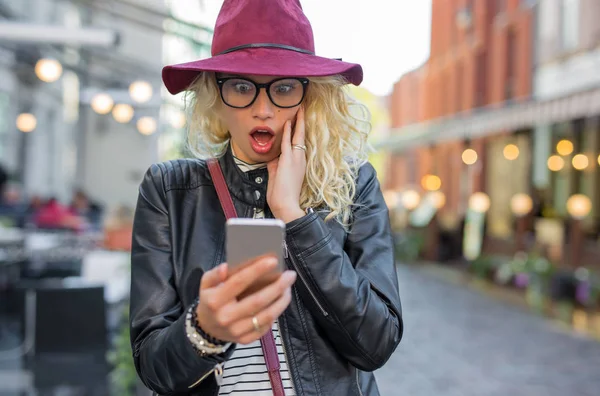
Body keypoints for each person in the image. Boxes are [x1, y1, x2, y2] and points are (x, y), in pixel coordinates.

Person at [129, 1, 403, 395]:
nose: (263, 109)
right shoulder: (170, 191)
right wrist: (205, 329)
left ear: (310, 97)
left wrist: (294, 217)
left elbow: (376, 343)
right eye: (241, 87)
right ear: (216, 96)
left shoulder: (352, 184)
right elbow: (154, 369)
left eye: (284, 87)